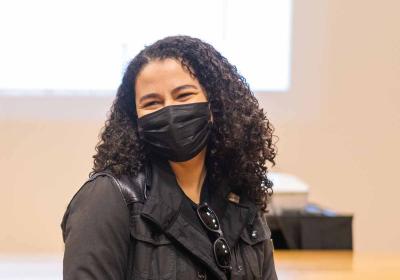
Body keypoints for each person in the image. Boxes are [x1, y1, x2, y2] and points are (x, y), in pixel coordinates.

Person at [61, 35, 278, 280]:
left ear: (214, 106)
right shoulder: (108, 197)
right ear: (136, 120)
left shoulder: (240, 196)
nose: (169, 110)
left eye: (183, 96)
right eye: (152, 102)